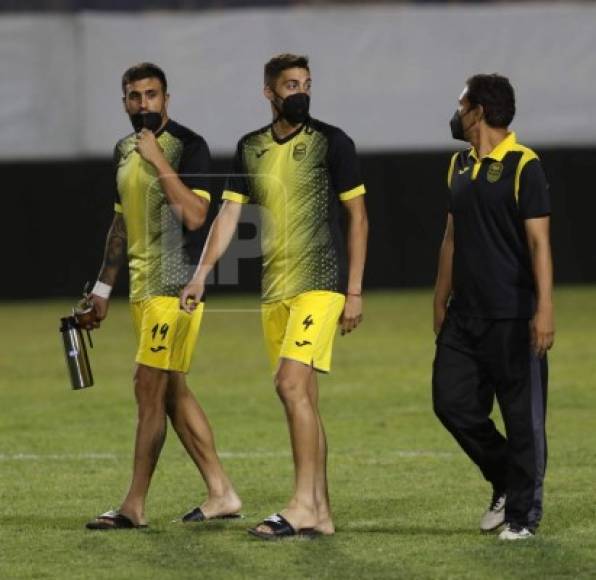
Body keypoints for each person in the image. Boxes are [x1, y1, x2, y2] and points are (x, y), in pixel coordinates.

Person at [181, 54, 368, 540]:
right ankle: (321, 513)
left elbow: (359, 217)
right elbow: (227, 217)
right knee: (300, 395)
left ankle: (302, 504)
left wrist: (354, 290)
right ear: (269, 92)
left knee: (288, 385)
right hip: (275, 291)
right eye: (290, 84)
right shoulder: (250, 148)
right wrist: (201, 275)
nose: (300, 92)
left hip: (320, 283)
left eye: (306, 83)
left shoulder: (332, 142)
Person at [85, 62, 241, 530]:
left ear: (166, 99)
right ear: (125, 103)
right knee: (172, 392)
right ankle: (221, 492)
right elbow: (120, 223)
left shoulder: (189, 148)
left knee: (147, 385)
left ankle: (133, 505)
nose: (143, 104)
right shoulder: (122, 151)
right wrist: (102, 288)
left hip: (177, 291)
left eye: (152, 95)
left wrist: (158, 160)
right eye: (135, 97)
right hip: (141, 290)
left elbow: (195, 216)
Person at [432, 74, 554, 540]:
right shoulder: (458, 165)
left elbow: (539, 244)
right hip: (465, 315)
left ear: (478, 111)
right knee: (450, 403)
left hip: (514, 315)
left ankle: (522, 517)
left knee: (523, 419)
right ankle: (505, 477)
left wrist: (544, 310)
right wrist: (440, 297)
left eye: (460, 103)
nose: (456, 112)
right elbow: (451, 236)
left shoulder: (526, 166)